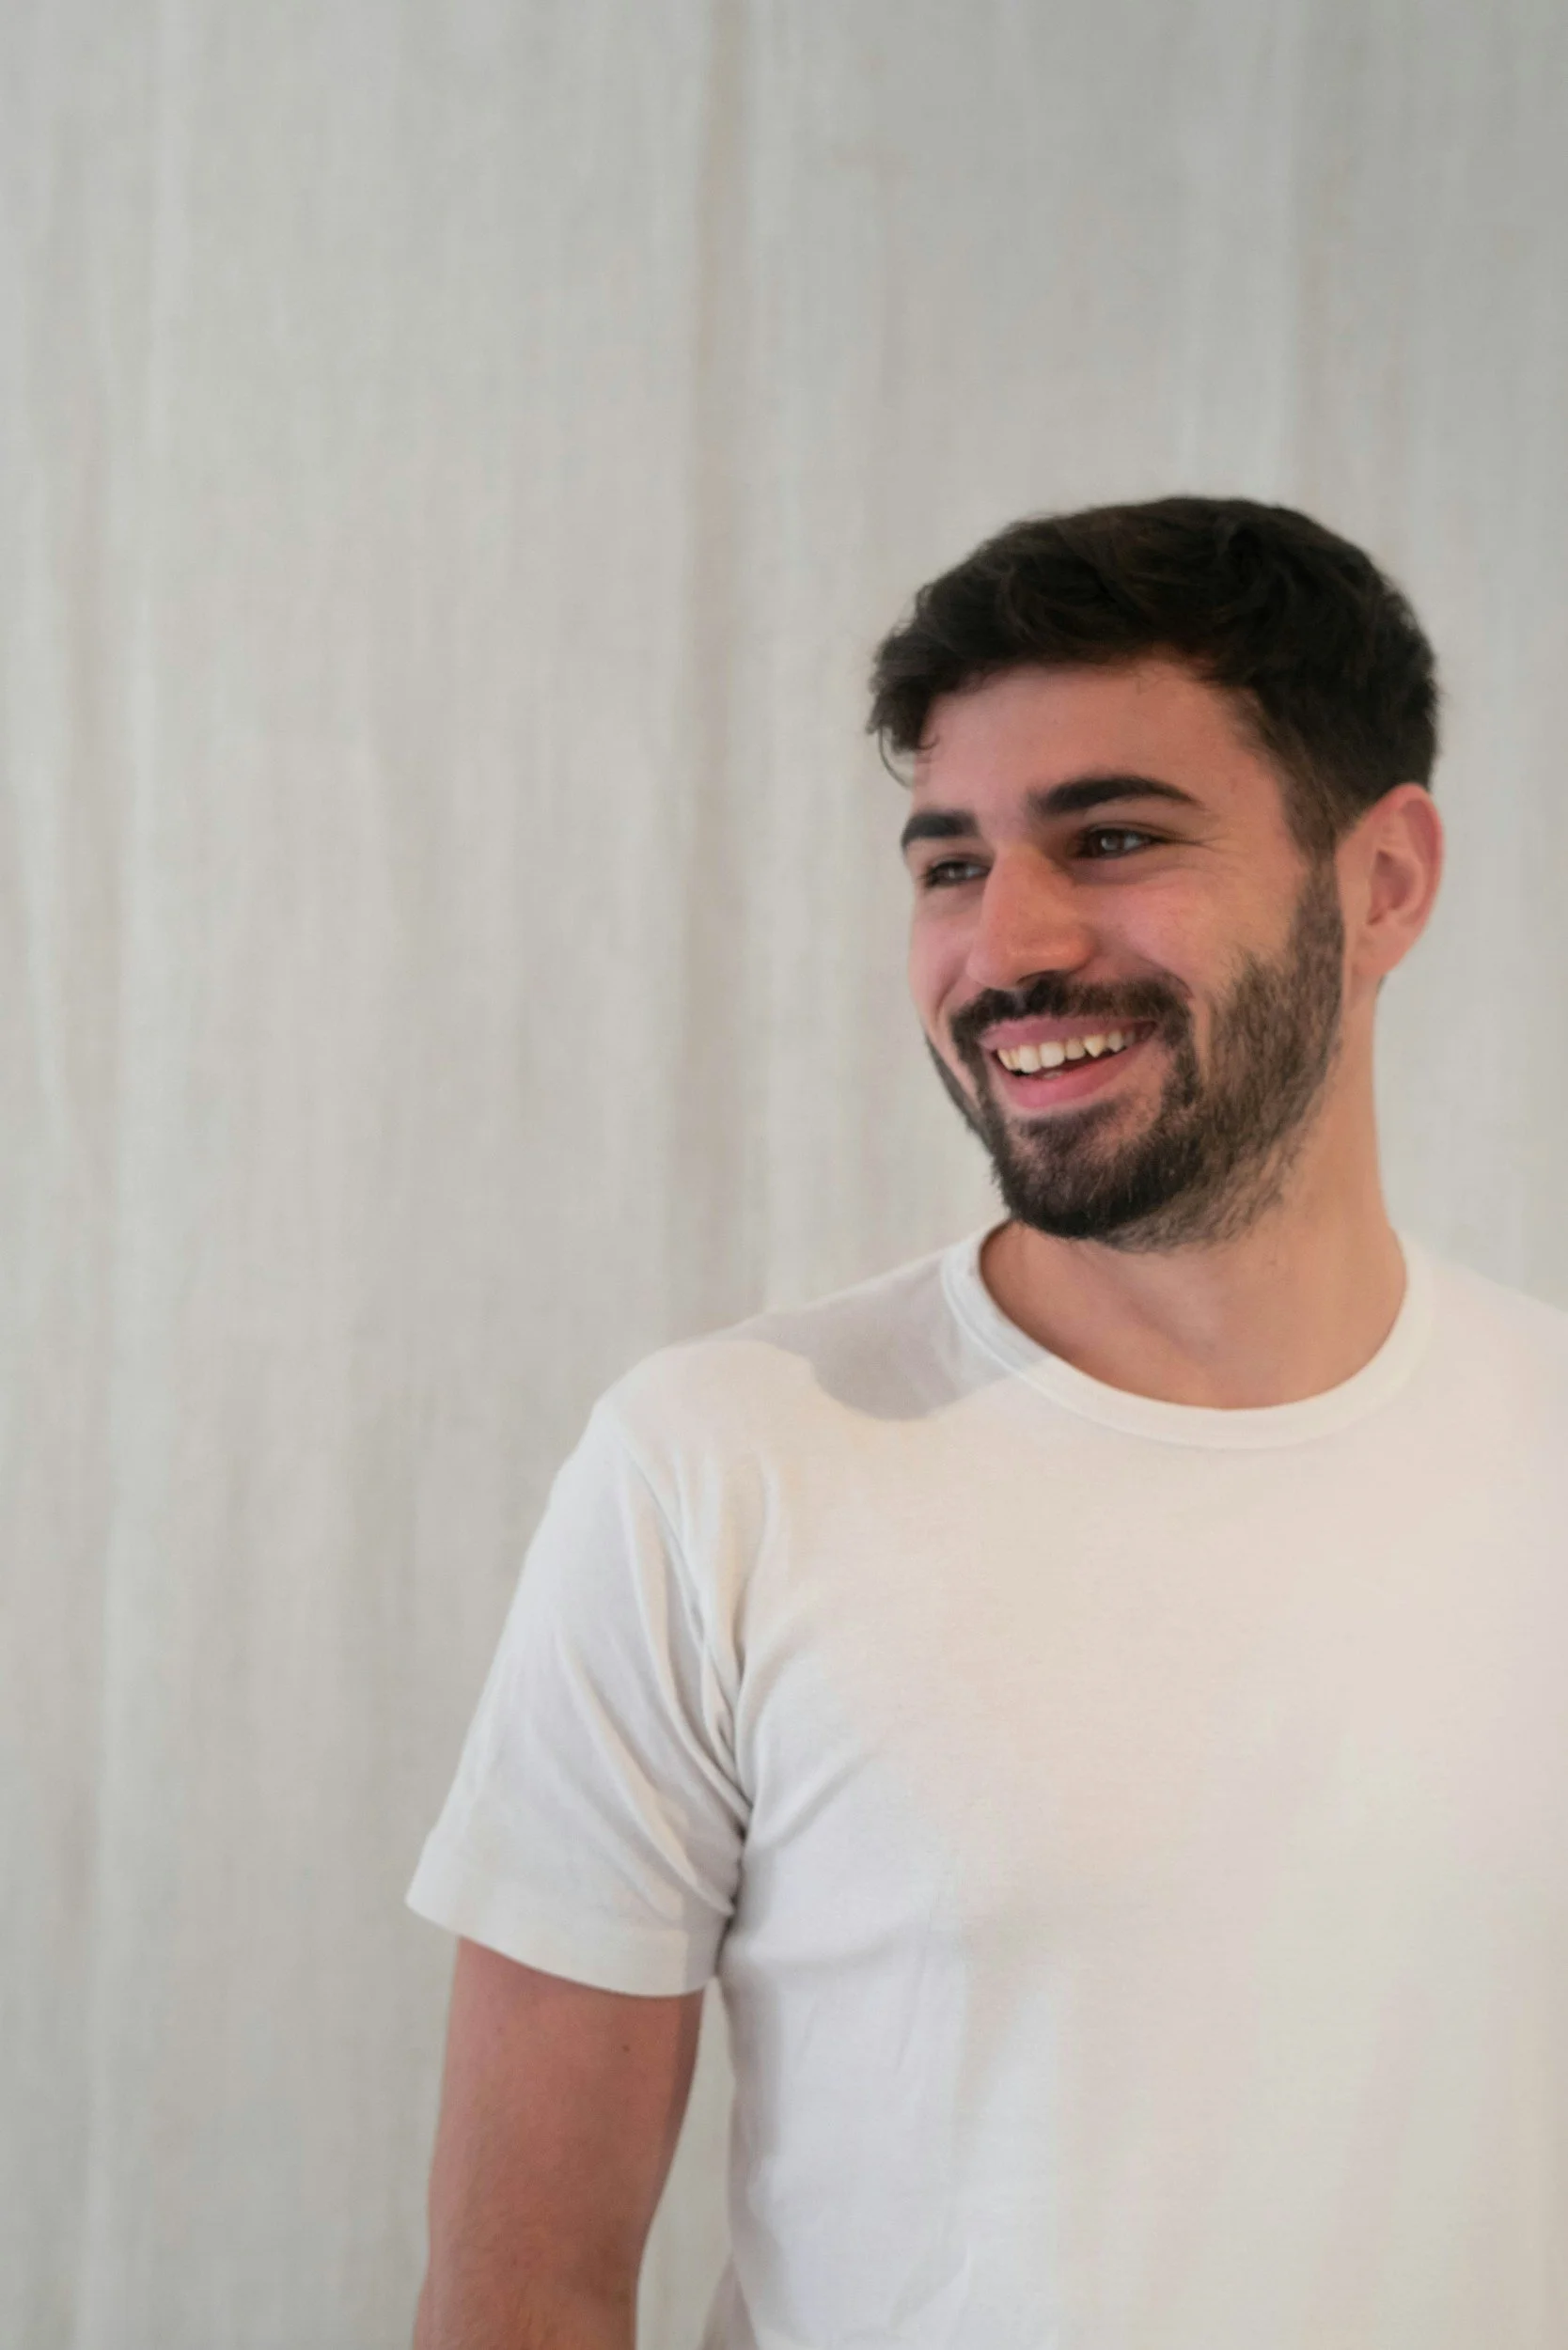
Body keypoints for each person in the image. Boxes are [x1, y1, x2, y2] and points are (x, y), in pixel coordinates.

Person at [406, 498, 1568, 2350]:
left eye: (1113, 837)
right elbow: (524, 2285)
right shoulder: (717, 1469)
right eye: (950, 864)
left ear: (1384, 884)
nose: (1005, 943)